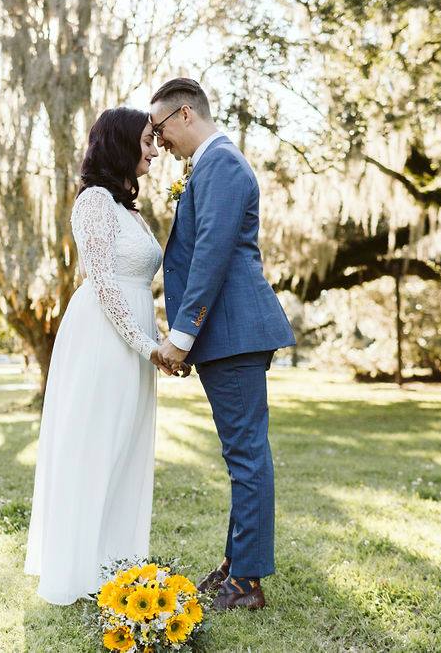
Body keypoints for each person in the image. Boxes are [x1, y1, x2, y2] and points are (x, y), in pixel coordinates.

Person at [23, 107, 186, 605]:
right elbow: (103, 281)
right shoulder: (93, 202)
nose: (155, 150)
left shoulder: (130, 211)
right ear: (119, 145)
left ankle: (113, 562)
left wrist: (161, 339)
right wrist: (146, 345)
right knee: (94, 444)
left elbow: (139, 283)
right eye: (146, 141)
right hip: (103, 336)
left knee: (125, 446)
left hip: (136, 336)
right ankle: (77, 566)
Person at [149, 78, 296, 610]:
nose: (159, 143)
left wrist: (182, 336)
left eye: (160, 129)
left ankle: (247, 582)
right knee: (241, 454)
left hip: (232, 332)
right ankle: (237, 562)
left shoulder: (223, 165)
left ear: (185, 114)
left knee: (246, 454)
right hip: (228, 333)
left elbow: (211, 253)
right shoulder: (209, 167)